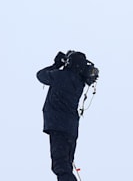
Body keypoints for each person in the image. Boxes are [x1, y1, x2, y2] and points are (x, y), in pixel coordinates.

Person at [36, 51, 92, 181]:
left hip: (58, 126)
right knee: (66, 165)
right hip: (70, 129)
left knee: (60, 166)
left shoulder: (61, 76)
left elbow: (41, 76)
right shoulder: (79, 82)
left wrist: (56, 64)